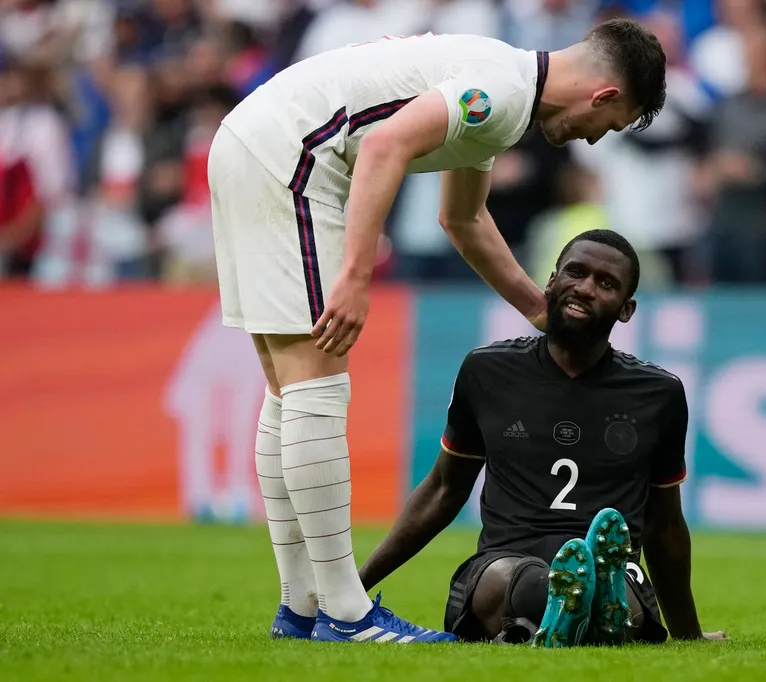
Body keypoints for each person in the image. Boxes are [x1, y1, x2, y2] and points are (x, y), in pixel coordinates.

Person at [209, 22, 667, 644]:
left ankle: (302, 607)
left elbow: (463, 217)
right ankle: (345, 612)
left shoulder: (502, 94)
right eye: (608, 126)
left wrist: (538, 308)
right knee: (316, 387)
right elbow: (383, 148)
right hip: (294, 158)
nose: (592, 139)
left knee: (289, 391)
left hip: (253, 142)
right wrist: (355, 276)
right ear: (605, 95)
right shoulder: (500, 90)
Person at [358, 229, 725, 647]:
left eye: (605, 284)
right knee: (508, 578)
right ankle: (584, 609)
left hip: (616, 571)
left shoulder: (658, 394)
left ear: (626, 309)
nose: (585, 288)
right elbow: (444, 489)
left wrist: (689, 634)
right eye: (576, 272)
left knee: (619, 587)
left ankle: (568, 612)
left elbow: (665, 525)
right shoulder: (487, 371)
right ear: (551, 281)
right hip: (506, 559)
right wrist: (352, 588)